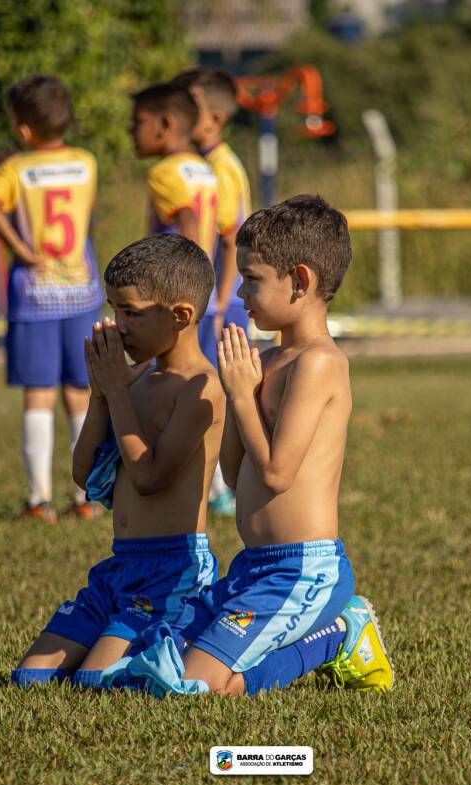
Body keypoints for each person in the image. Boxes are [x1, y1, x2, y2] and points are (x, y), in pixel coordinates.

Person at [174, 195, 393, 696]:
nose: (240, 291)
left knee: (198, 685)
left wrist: (242, 396)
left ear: (300, 281)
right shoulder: (268, 361)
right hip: (254, 566)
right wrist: (239, 393)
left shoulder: (320, 363)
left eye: (251, 279)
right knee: (161, 659)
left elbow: (276, 474)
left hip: (302, 569)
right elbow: (236, 473)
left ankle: (339, 633)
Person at [11, 234, 224, 689]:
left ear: (180, 315)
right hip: (120, 567)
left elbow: (148, 477)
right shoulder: (136, 381)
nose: (118, 325)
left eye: (131, 312)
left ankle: (187, 634)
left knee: (95, 682)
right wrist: (100, 397)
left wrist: (117, 393)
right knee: (30, 678)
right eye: (114, 310)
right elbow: (85, 476)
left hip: (172, 573)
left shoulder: (201, 387)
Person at [0, 75, 103, 522]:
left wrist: (19, 247)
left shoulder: (14, 170)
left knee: (38, 395)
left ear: (23, 128)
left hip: (35, 295)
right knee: (80, 393)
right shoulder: (86, 162)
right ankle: (86, 498)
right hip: (81, 291)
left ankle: (38, 500)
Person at [172, 67, 252, 516]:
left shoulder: (219, 167)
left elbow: (230, 237)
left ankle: (221, 486)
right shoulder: (209, 163)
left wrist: (219, 302)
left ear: (216, 117)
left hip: (223, 299)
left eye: (193, 108)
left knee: (211, 391)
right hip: (221, 299)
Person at [131, 83, 219, 258]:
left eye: (138, 121)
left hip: (179, 274)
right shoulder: (205, 169)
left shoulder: (164, 172)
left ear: (164, 124)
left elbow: (187, 220)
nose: (131, 130)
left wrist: (189, 271)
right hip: (207, 272)